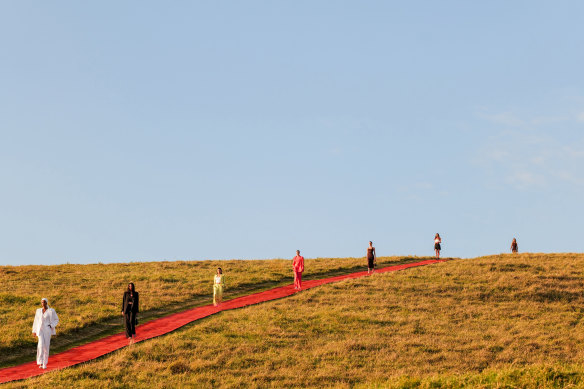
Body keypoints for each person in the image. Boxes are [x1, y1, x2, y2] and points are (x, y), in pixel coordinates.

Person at [32, 298, 59, 369]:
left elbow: (56, 319)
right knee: (40, 345)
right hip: (40, 330)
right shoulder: (38, 311)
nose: (42, 303)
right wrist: (34, 331)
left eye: (44, 302)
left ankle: (44, 363)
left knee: (46, 346)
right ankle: (40, 362)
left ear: (46, 303)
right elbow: (36, 321)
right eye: (41, 302)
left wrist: (51, 325)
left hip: (47, 329)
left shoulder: (51, 311)